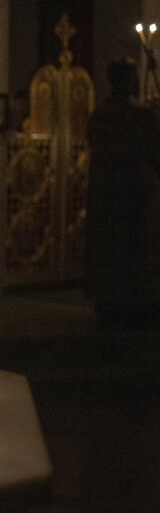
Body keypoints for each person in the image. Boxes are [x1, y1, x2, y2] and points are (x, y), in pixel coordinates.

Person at [85, 58, 160, 328]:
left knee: (112, 250)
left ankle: (110, 301)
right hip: (136, 196)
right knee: (137, 251)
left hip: (107, 197)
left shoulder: (100, 114)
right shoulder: (142, 115)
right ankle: (138, 303)